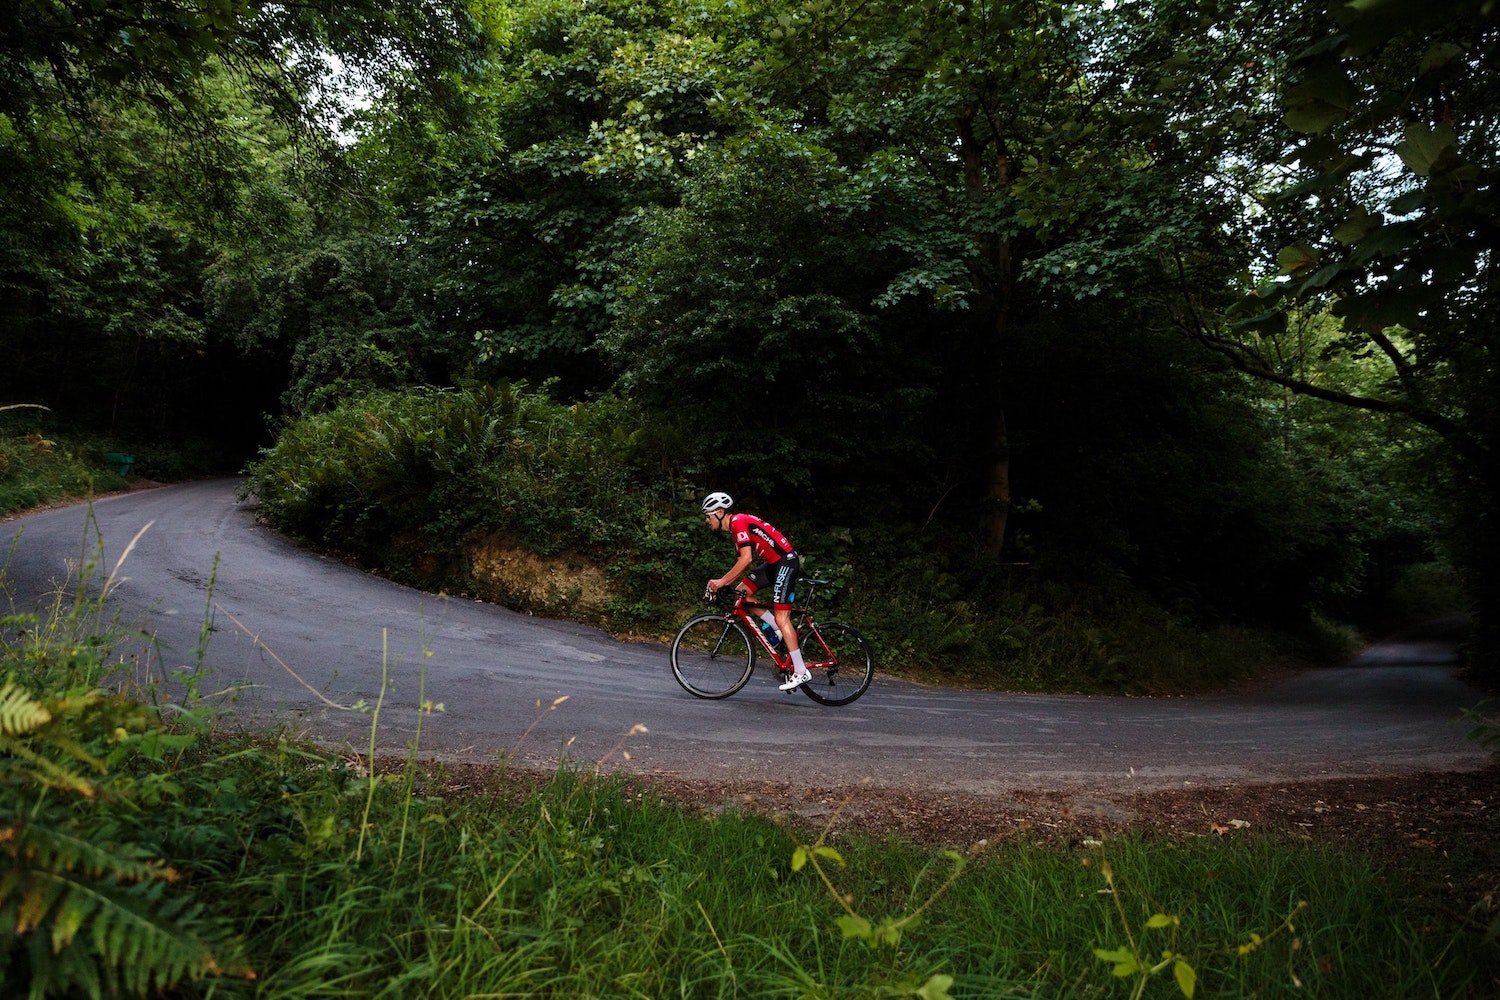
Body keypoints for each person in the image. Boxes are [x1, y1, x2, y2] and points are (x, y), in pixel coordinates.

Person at [701, 491, 811, 691]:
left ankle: (801, 670)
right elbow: (742, 562)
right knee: (741, 592)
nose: (707, 521)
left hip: (785, 562)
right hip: (775, 563)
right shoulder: (736, 526)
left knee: (782, 617)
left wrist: (720, 582)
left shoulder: (738, 521)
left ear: (719, 512)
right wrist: (724, 583)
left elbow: (746, 560)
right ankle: (777, 631)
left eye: (708, 516)